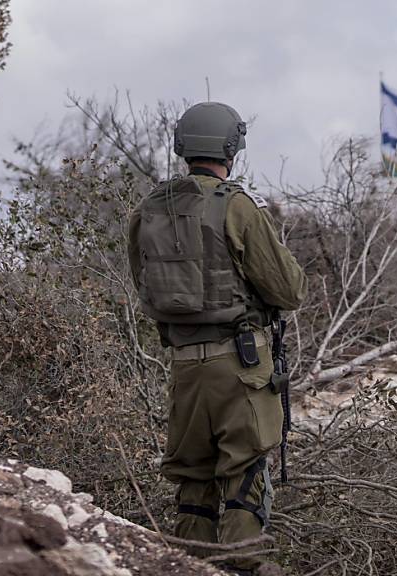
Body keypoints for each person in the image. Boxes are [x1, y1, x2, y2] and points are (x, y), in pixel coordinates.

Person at [126, 101, 306, 575]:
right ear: (231, 148)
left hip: (184, 365)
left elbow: (140, 280)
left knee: (191, 478)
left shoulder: (147, 210)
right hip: (241, 366)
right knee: (244, 470)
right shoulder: (237, 205)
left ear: (183, 146)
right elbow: (288, 290)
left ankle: (188, 566)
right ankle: (240, 565)